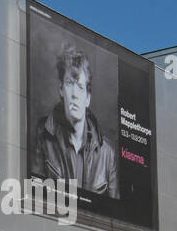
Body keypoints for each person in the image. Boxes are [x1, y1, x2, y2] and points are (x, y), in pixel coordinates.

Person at [29, 42, 119, 198]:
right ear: (61, 90)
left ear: (88, 99)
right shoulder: (43, 136)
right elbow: (36, 197)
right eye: (70, 84)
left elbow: (114, 214)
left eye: (80, 87)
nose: (75, 94)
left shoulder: (107, 154)